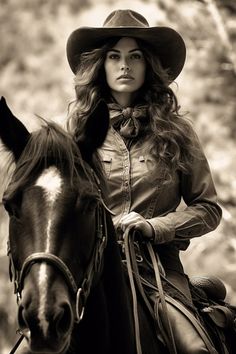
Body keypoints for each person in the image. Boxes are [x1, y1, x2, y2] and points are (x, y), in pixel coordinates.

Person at [66, 9, 222, 353]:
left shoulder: (179, 131)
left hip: (159, 276)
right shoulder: (77, 133)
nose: (125, 65)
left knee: (196, 350)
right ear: (101, 65)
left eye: (135, 56)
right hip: (90, 275)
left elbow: (209, 210)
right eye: (114, 56)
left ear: (148, 64)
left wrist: (154, 227)